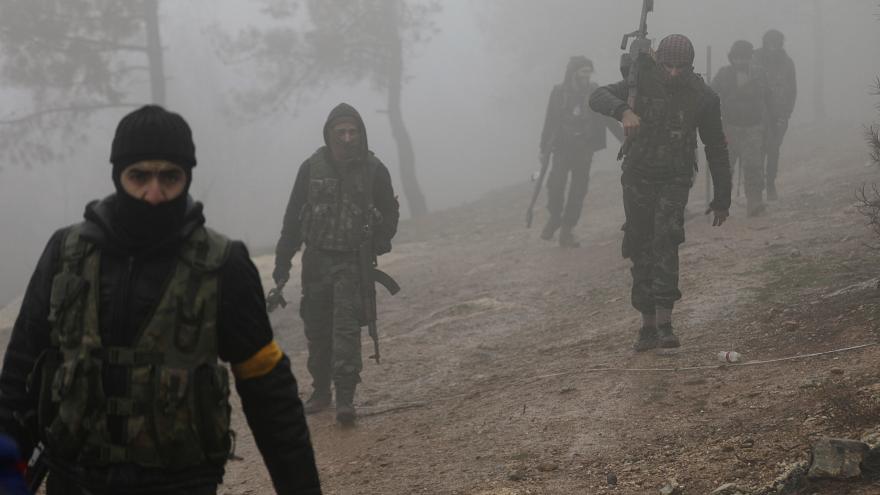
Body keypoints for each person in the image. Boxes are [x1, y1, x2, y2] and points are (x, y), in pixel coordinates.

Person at [0, 105, 322, 494]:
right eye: (139, 176)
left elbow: (270, 394)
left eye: (170, 177)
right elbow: (20, 372)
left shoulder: (224, 265)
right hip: (75, 480)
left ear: (187, 177)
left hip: (180, 484)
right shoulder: (65, 254)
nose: (153, 194)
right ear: (118, 175)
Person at [589, 34, 732, 351]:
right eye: (668, 66)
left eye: (681, 67)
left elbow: (716, 147)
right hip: (637, 176)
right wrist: (623, 111)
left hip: (675, 179)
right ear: (658, 62)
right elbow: (597, 96)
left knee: (666, 240)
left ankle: (665, 323)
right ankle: (647, 325)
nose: (673, 72)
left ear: (690, 65)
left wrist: (723, 197)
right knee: (639, 244)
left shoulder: (702, 96)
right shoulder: (639, 81)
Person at [273, 103, 399, 425]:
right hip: (315, 261)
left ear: (360, 134)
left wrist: (381, 240)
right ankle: (320, 390)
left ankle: (345, 397)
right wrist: (282, 262)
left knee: (345, 329)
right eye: (340, 132)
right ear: (328, 134)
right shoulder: (310, 169)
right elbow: (292, 217)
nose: (347, 138)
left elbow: (390, 209)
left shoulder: (374, 169)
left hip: (352, 263)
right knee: (317, 329)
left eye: (352, 132)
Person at [539, 56, 625, 247]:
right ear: (573, 73)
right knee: (555, 185)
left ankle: (567, 230)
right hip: (561, 149)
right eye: (583, 72)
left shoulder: (594, 92)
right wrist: (543, 148)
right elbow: (549, 120)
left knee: (578, 190)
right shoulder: (559, 93)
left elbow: (608, 117)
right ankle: (555, 217)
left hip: (584, 149)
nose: (586, 76)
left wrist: (624, 139)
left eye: (588, 72)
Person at [712, 40, 774, 216]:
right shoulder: (724, 74)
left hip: (753, 127)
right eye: (737, 57)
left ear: (750, 57)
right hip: (729, 128)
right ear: (732, 58)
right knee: (724, 168)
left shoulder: (759, 74)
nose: (740, 61)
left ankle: (754, 202)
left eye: (744, 57)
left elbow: (768, 99)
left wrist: (772, 124)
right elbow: (711, 95)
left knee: (753, 166)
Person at [753, 29, 797, 200]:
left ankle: (770, 183)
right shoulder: (754, 58)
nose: (772, 46)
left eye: (776, 43)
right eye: (770, 42)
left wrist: (787, 112)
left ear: (780, 44)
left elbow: (792, 89)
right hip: (756, 113)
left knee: (773, 149)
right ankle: (757, 186)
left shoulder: (787, 63)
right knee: (757, 150)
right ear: (765, 42)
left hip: (779, 114)